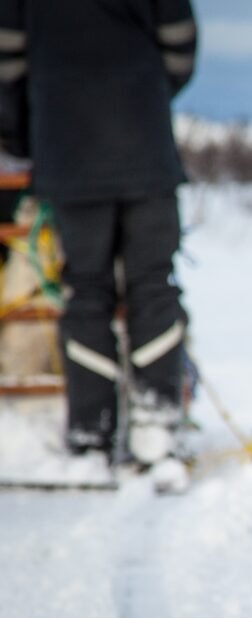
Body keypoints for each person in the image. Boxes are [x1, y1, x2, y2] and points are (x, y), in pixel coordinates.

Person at [0, 0, 197, 488]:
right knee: (153, 284)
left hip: (68, 152)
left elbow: (7, 62)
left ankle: (91, 434)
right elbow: (180, 45)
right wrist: (144, 97)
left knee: (85, 290)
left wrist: (28, 134)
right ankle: (158, 426)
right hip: (145, 149)